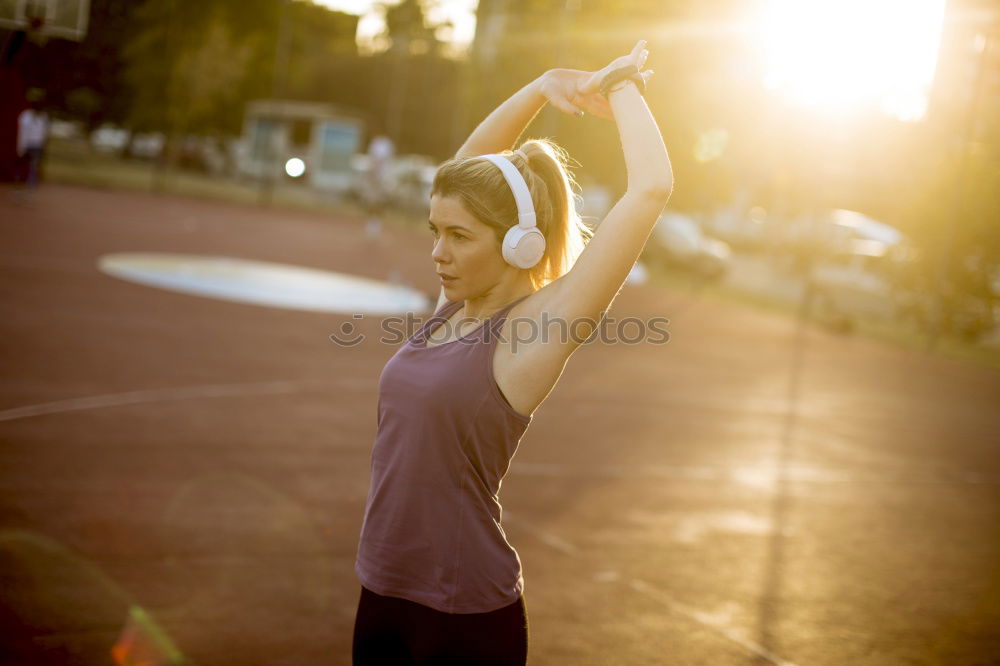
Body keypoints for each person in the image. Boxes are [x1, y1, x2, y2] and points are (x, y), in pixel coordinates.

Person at [352, 39, 671, 665]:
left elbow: (651, 189)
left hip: (461, 616)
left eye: (459, 237)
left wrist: (620, 84)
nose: (438, 252)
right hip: (382, 590)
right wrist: (541, 86)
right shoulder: (454, 305)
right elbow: (466, 172)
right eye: (435, 232)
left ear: (520, 245)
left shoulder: (537, 330)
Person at [363, 121, 396, 239]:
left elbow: (378, 160)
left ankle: (374, 226)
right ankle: (373, 225)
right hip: (378, 176)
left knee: (377, 201)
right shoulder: (382, 143)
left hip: (379, 177)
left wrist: (375, 174)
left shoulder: (382, 143)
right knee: (374, 200)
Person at [16, 90, 49, 191]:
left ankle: (31, 184)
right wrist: (21, 147)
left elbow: (44, 133)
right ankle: (18, 182)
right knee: (22, 165)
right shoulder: (26, 116)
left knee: (34, 166)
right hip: (27, 144)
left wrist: (43, 145)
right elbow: (23, 133)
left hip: (37, 145)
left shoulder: (43, 117)